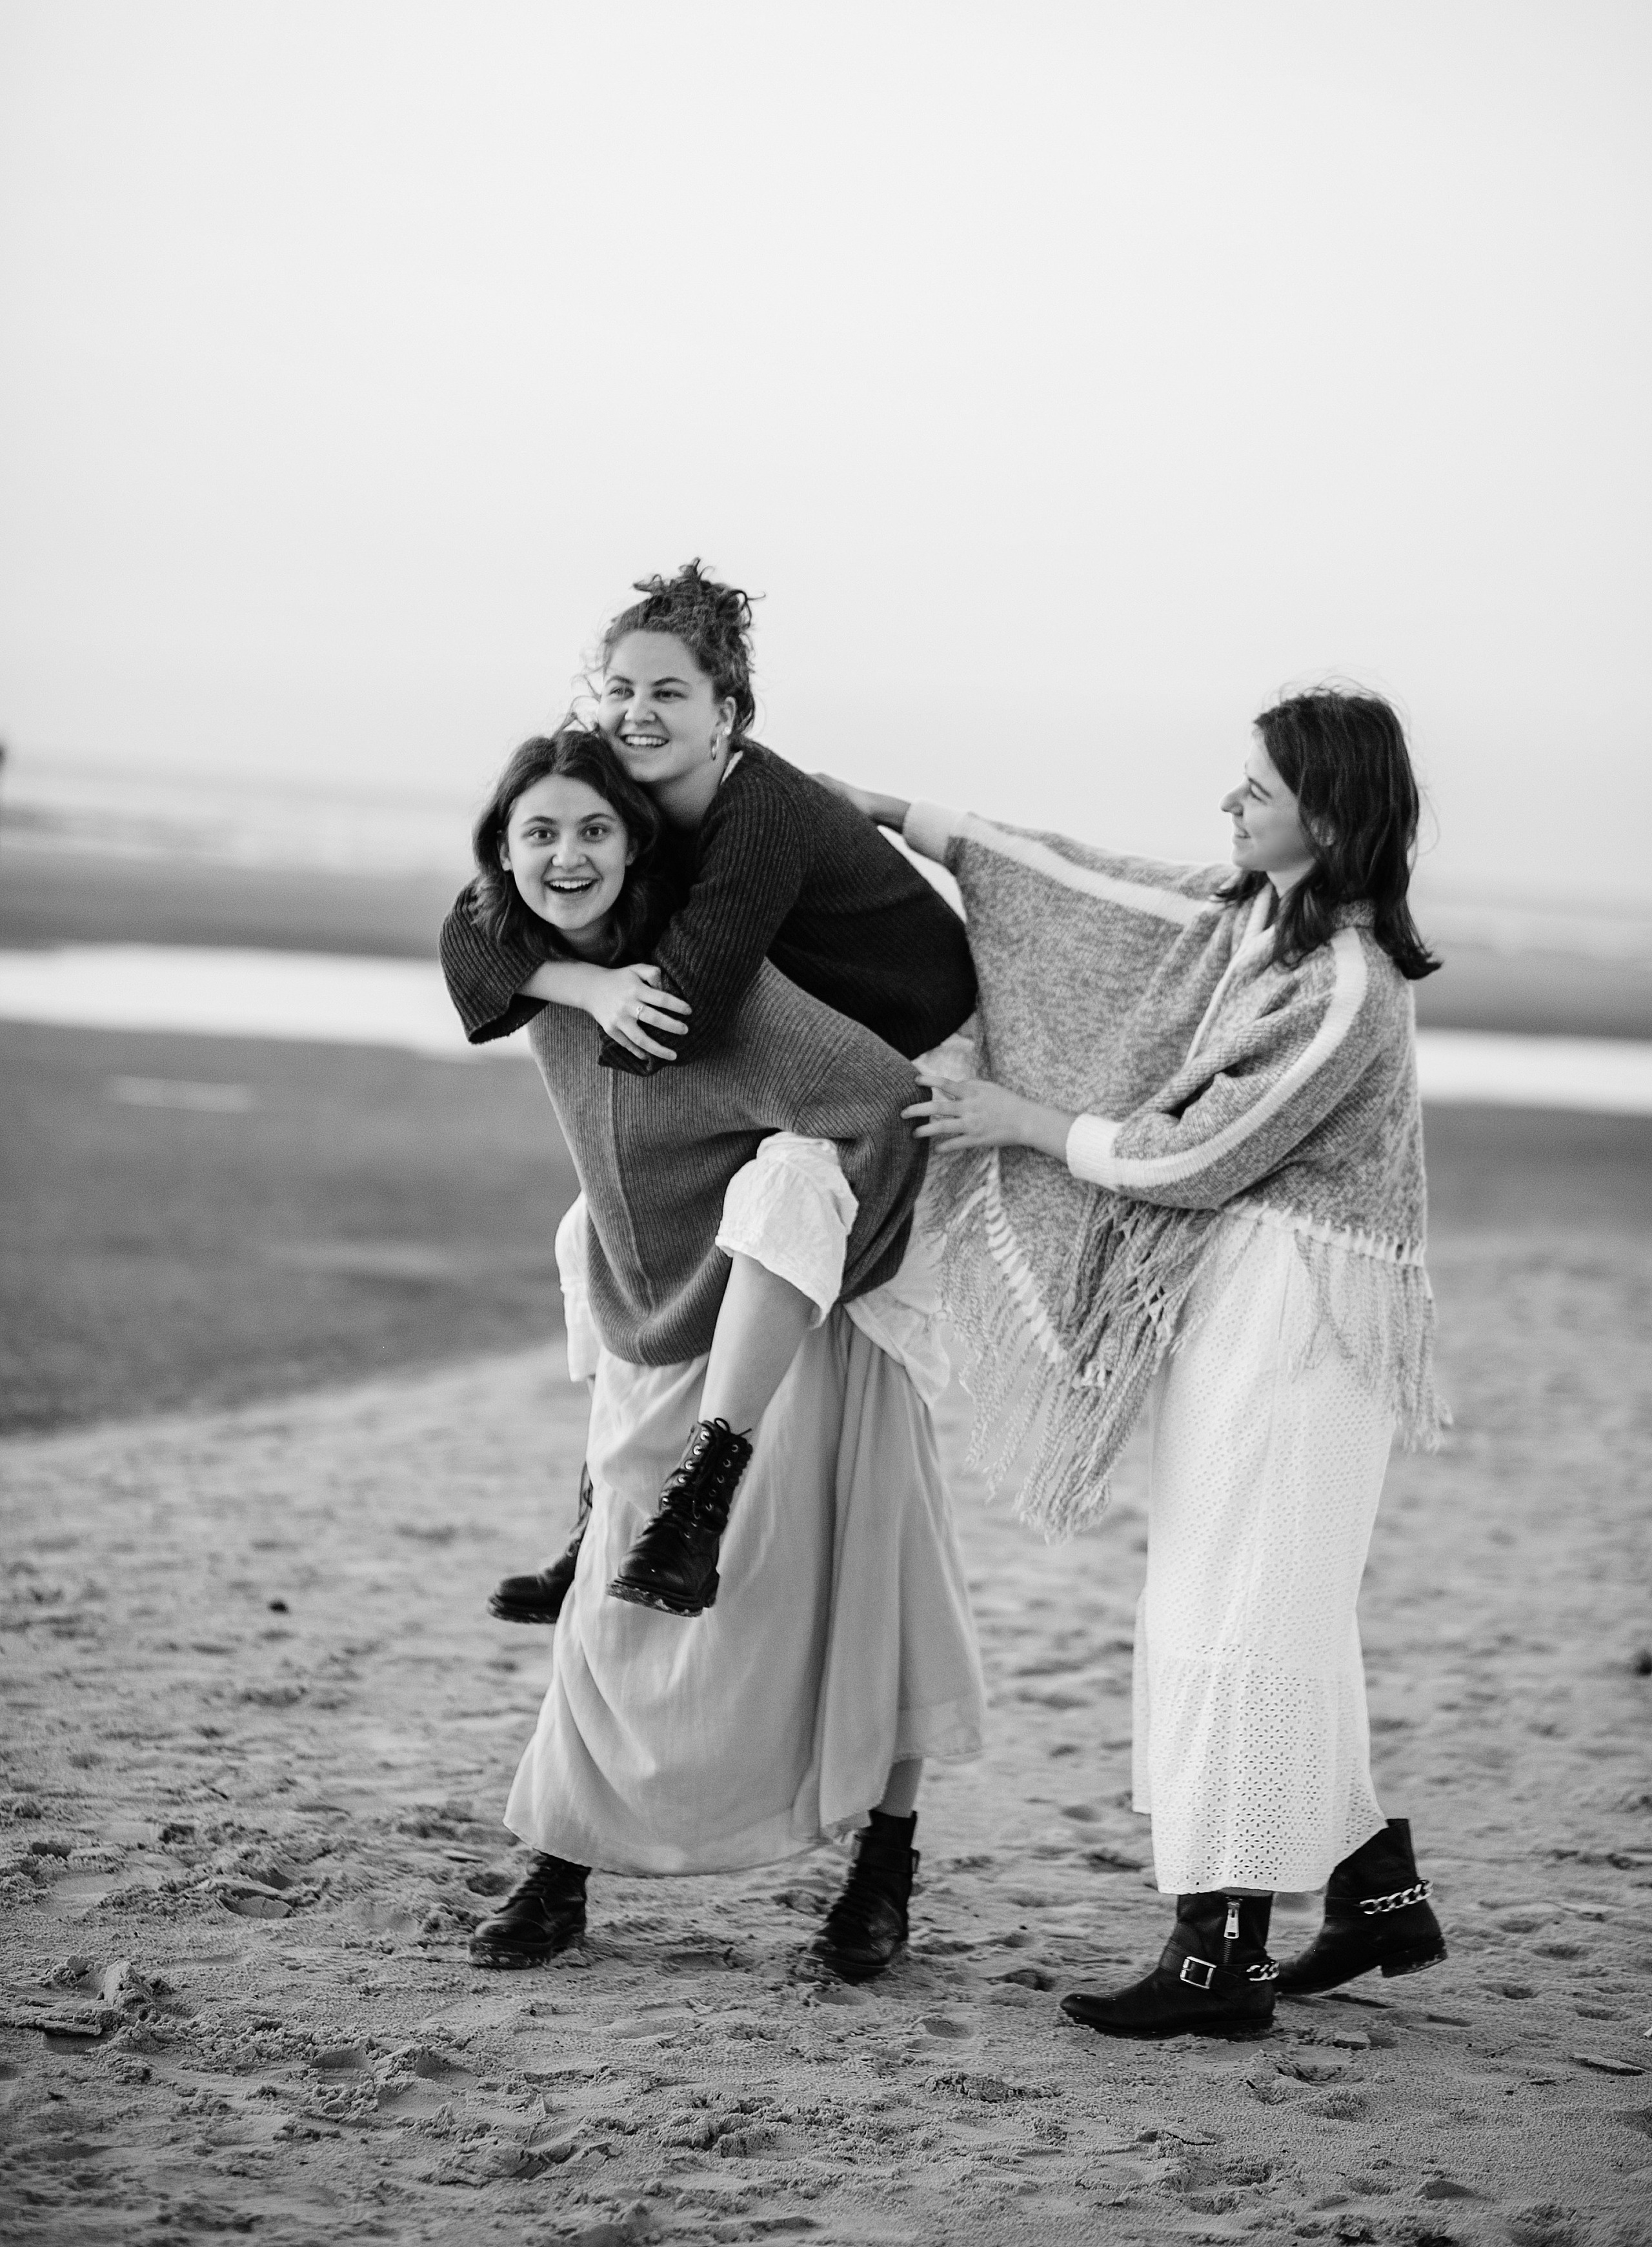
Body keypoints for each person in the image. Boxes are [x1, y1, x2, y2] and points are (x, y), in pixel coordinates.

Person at [820, 688, 1449, 2038]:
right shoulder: (1252, 920)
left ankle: (1217, 1956)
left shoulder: (1343, 985)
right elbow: (1087, 892)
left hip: (1306, 1320)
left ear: (1328, 817)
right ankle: (1369, 1886)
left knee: (1239, 1616)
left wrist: (1021, 1119)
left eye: (1257, 790)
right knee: (1243, 1600)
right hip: (1242, 1304)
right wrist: (895, 817)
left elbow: (1195, 1156)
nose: (1228, 804)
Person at [461, 724, 984, 1982]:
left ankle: (882, 1871)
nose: (565, 856)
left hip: (816, 1282)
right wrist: (576, 984)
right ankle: (560, 1864)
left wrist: (830, 1267)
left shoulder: (710, 977)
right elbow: (474, 942)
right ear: (500, 852)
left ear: (644, 849)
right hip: (671, 1293)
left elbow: (873, 1107)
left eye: (594, 831)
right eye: (538, 834)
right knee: (620, 1593)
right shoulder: (523, 962)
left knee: (878, 1569)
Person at [442, 561, 976, 1622]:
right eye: (622, 690)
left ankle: (695, 1511)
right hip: (805, 1038)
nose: (638, 713)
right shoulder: (624, 794)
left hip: (921, 1056)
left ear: (727, 713)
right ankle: (605, 1516)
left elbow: (684, 1004)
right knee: (586, 1227)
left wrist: (590, 974)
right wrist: (579, 976)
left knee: (780, 1194)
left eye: (671, 693)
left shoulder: (757, 813)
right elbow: (473, 928)